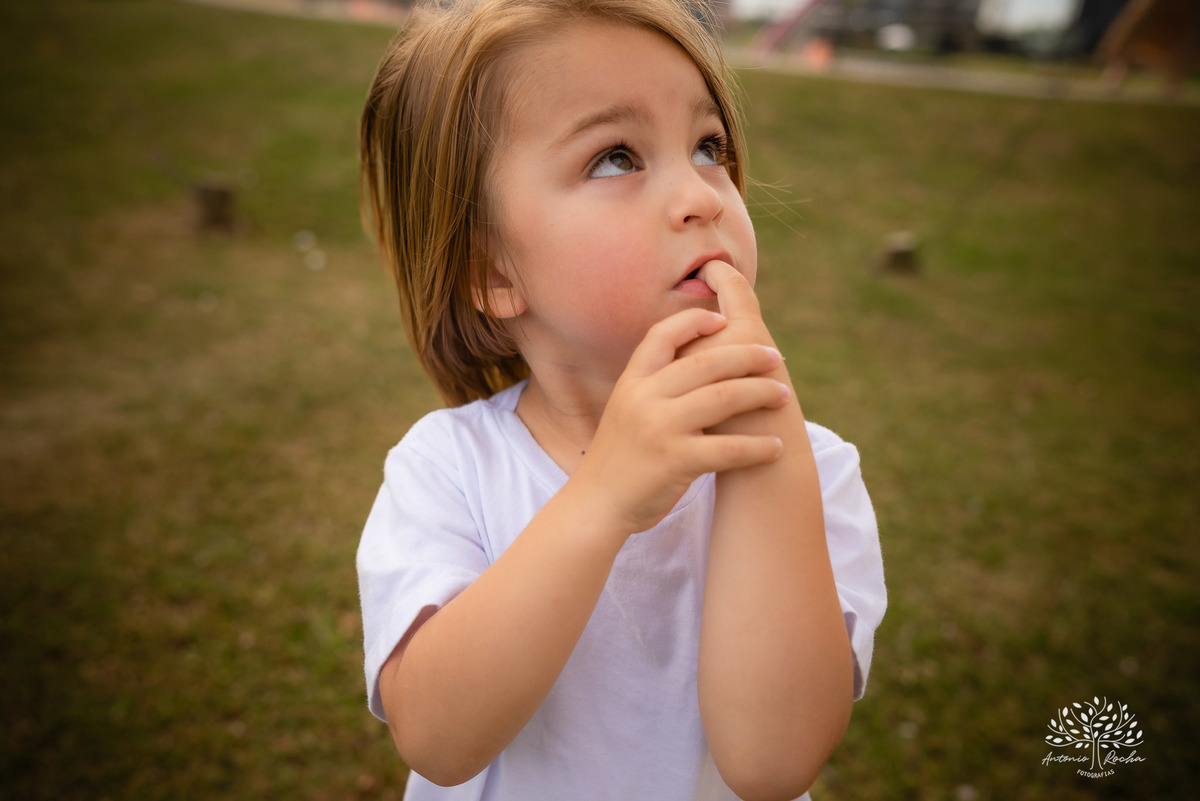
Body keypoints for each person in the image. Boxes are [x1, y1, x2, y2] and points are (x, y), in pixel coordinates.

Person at [356, 1, 886, 799]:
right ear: (492, 270)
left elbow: (771, 761)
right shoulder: (450, 468)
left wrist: (764, 440)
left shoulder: (812, 467)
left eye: (709, 146)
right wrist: (602, 496)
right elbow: (436, 736)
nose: (703, 196)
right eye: (615, 158)